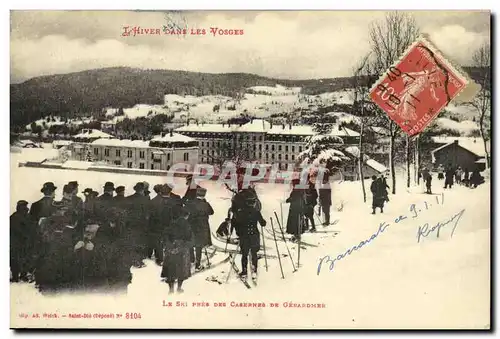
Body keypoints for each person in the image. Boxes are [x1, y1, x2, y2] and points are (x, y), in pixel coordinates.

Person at [232, 193, 266, 280]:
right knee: (254, 253)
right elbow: (263, 223)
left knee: (244, 254)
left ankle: (244, 272)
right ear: (254, 203)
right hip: (254, 235)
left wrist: (238, 232)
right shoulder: (256, 212)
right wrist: (263, 221)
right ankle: (254, 271)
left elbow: (236, 223)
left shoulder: (241, 212)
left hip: (244, 236)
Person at [161, 207, 192, 294]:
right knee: (181, 270)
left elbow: (165, 236)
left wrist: (170, 247)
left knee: (171, 270)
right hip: (182, 250)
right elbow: (190, 240)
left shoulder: (172, 224)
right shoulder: (187, 225)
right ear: (186, 215)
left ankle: (171, 290)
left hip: (171, 249)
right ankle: (179, 288)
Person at [185, 187, 213, 271]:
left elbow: (185, 210)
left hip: (192, 225)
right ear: (204, 195)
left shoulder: (190, 203)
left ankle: (191, 259)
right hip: (202, 227)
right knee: (199, 246)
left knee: (190, 242)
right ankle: (197, 265)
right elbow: (211, 212)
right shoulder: (206, 204)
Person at [124, 182, 150, 268]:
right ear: (142, 190)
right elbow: (147, 214)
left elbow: (125, 213)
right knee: (140, 242)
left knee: (131, 242)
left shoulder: (128, 198)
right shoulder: (145, 200)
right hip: (141, 225)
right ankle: (138, 261)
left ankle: (131, 260)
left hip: (130, 224)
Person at [10, 200, 36, 282]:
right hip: (19, 242)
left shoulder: (13, 217)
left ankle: (18, 276)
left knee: (19, 258)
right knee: (21, 258)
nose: (25, 208)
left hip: (18, 242)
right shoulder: (25, 217)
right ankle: (20, 275)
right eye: (24, 206)